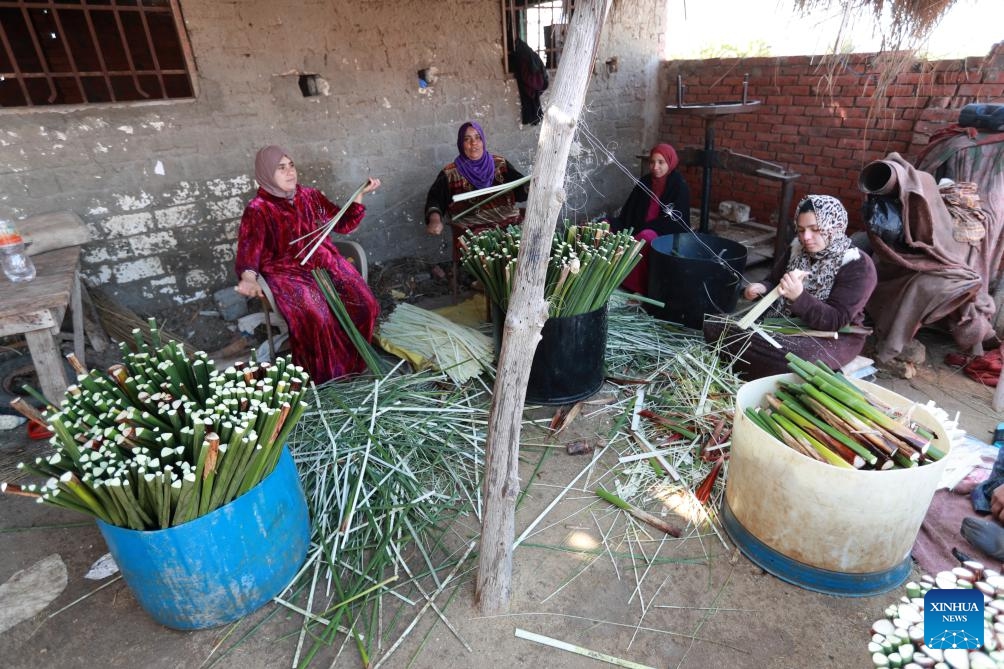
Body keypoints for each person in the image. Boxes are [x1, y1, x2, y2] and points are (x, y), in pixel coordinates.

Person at [235, 145, 380, 384]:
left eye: (291, 166)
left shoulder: (309, 195)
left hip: (325, 262)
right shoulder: (258, 210)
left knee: (365, 305)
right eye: (281, 168)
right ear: (266, 173)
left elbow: (341, 223)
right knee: (318, 318)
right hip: (287, 272)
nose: (290, 172)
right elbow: (249, 252)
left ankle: (355, 363)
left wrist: (359, 196)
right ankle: (326, 378)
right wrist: (249, 278)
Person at [704, 194, 877, 380]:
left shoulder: (857, 264)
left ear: (834, 227)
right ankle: (759, 361)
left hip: (833, 336)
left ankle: (759, 362)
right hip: (786, 325)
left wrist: (799, 297)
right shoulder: (797, 249)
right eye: (801, 230)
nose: (806, 237)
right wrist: (761, 287)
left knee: (794, 359)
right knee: (714, 324)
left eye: (815, 229)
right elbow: (774, 281)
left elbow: (836, 320)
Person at [610, 143, 691, 294]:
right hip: (638, 226)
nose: (655, 167)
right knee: (605, 225)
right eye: (652, 162)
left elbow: (677, 222)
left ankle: (636, 287)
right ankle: (605, 276)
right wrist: (623, 227)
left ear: (670, 163)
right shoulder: (645, 182)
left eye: (661, 162)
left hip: (663, 233)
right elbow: (629, 211)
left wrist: (648, 228)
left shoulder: (679, 186)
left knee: (644, 237)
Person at [424, 121, 528, 238]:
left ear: (483, 141)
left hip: (510, 226)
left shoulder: (500, 164)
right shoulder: (450, 173)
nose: (474, 143)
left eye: (478, 138)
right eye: (467, 139)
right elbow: (435, 200)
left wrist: (528, 186)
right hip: (474, 233)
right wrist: (434, 219)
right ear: (460, 144)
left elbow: (520, 189)